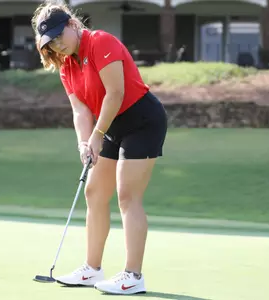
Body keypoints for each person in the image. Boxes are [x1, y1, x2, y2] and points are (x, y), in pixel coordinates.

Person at [31, 0, 168, 295]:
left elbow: (115, 93)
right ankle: (91, 270)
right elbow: (80, 110)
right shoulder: (66, 65)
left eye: (58, 36)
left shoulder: (100, 42)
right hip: (109, 125)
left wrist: (97, 134)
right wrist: (85, 142)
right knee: (94, 192)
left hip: (141, 119)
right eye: (50, 42)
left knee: (127, 195)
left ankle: (133, 276)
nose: (57, 45)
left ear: (72, 24)